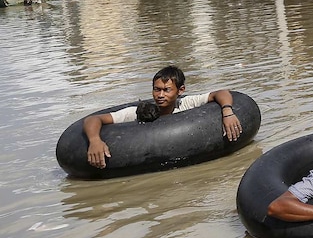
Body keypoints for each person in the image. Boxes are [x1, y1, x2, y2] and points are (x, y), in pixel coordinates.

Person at [83, 65, 243, 169]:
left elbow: (221, 93)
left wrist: (227, 111)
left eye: (166, 90)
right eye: (156, 89)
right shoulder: (140, 112)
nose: (160, 95)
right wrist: (95, 140)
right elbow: (93, 119)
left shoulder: (186, 104)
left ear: (180, 90)